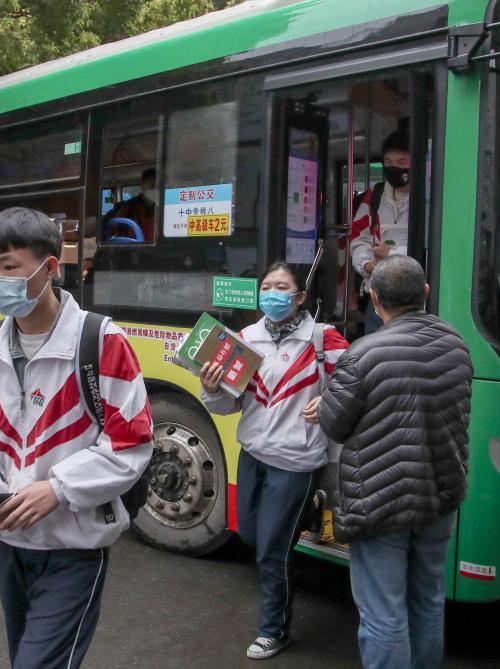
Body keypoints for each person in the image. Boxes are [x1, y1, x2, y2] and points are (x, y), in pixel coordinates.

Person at [0, 207, 154, 669]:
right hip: (10, 546)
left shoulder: (102, 341)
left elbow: (131, 442)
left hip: (74, 549)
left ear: (50, 268)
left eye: (9, 267)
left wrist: (58, 488)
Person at [316, 255, 472, 669]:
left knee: (384, 613)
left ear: (374, 297)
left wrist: (327, 400)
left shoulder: (363, 354)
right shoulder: (456, 343)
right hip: (440, 494)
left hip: (380, 501)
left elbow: (334, 423)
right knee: (427, 600)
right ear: (424, 293)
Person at [199, 261, 349, 660]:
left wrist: (331, 402)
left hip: (297, 460)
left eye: (282, 287)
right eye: (266, 286)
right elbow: (227, 403)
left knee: (272, 550)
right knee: (248, 534)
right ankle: (305, 514)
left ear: (299, 297)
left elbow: (355, 389)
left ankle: (273, 630)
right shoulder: (243, 340)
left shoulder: (323, 340)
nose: (272, 293)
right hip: (253, 454)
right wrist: (210, 386)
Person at [350, 130, 412, 334]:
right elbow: (358, 238)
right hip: (378, 299)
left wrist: (392, 257)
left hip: (415, 299)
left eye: (402, 162)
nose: (395, 168)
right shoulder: (374, 196)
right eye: (389, 162)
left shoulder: (434, 197)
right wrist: (367, 265)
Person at [103, 168, 157, 242]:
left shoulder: (166, 209)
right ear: (142, 185)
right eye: (151, 182)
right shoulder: (127, 208)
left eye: (157, 184)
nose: (154, 187)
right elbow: (105, 230)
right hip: (129, 251)